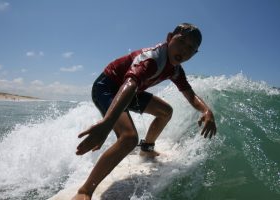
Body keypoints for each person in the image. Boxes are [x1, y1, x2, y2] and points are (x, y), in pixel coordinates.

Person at [72, 23, 217, 200]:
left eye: (191, 48)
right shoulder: (152, 58)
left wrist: (207, 110)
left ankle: (147, 148)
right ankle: (85, 191)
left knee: (165, 111)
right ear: (170, 37)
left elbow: (190, 95)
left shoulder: (176, 70)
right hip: (107, 88)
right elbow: (130, 83)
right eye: (181, 41)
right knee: (129, 138)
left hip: (132, 91)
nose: (184, 50)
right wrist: (107, 124)